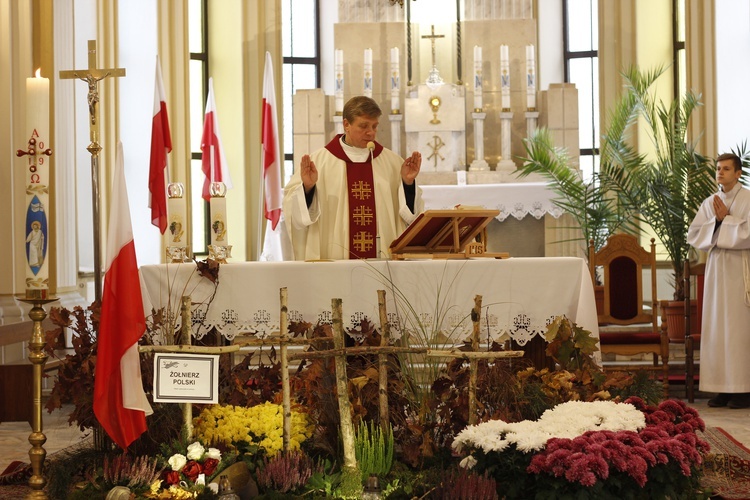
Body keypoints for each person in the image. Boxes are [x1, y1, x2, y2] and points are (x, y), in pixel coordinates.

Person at [283, 96, 424, 260]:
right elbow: (294, 214)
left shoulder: (392, 162)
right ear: (346, 125)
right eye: (363, 126)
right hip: (336, 258)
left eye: (374, 126)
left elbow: (410, 217)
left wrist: (407, 184)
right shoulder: (320, 162)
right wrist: (307, 189)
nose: (370, 132)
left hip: (382, 259)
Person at [687, 152, 750, 409]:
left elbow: (747, 233)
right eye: (718, 169)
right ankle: (721, 389)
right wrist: (717, 221)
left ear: (738, 173)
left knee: (737, 330)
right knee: (717, 329)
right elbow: (695, 234)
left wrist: (727, 220)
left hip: (739, 269)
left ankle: (743, 390)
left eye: (726, 169)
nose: (720, 173)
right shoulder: (709, 202)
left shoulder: (747, 198)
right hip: (716, 270)